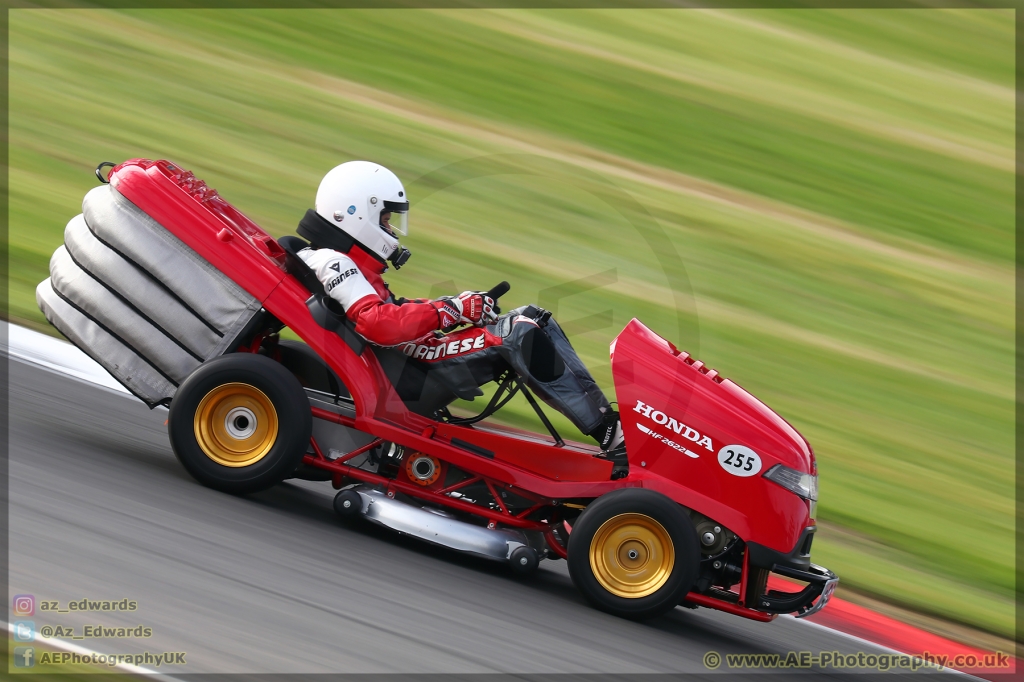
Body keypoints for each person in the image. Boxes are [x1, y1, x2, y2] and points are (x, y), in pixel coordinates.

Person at [294, 160, 624, 457]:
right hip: (404, 379)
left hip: (408, 362)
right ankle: (608, 434)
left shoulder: (342, 261)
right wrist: (450, 311)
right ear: (352, 214)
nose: (391, 230)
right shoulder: (333, 261)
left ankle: (606, 421)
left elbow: (391, 310)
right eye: (385, 218)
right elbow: (378, 324)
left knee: (533, 315)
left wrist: (458, 306)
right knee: (519, 332)